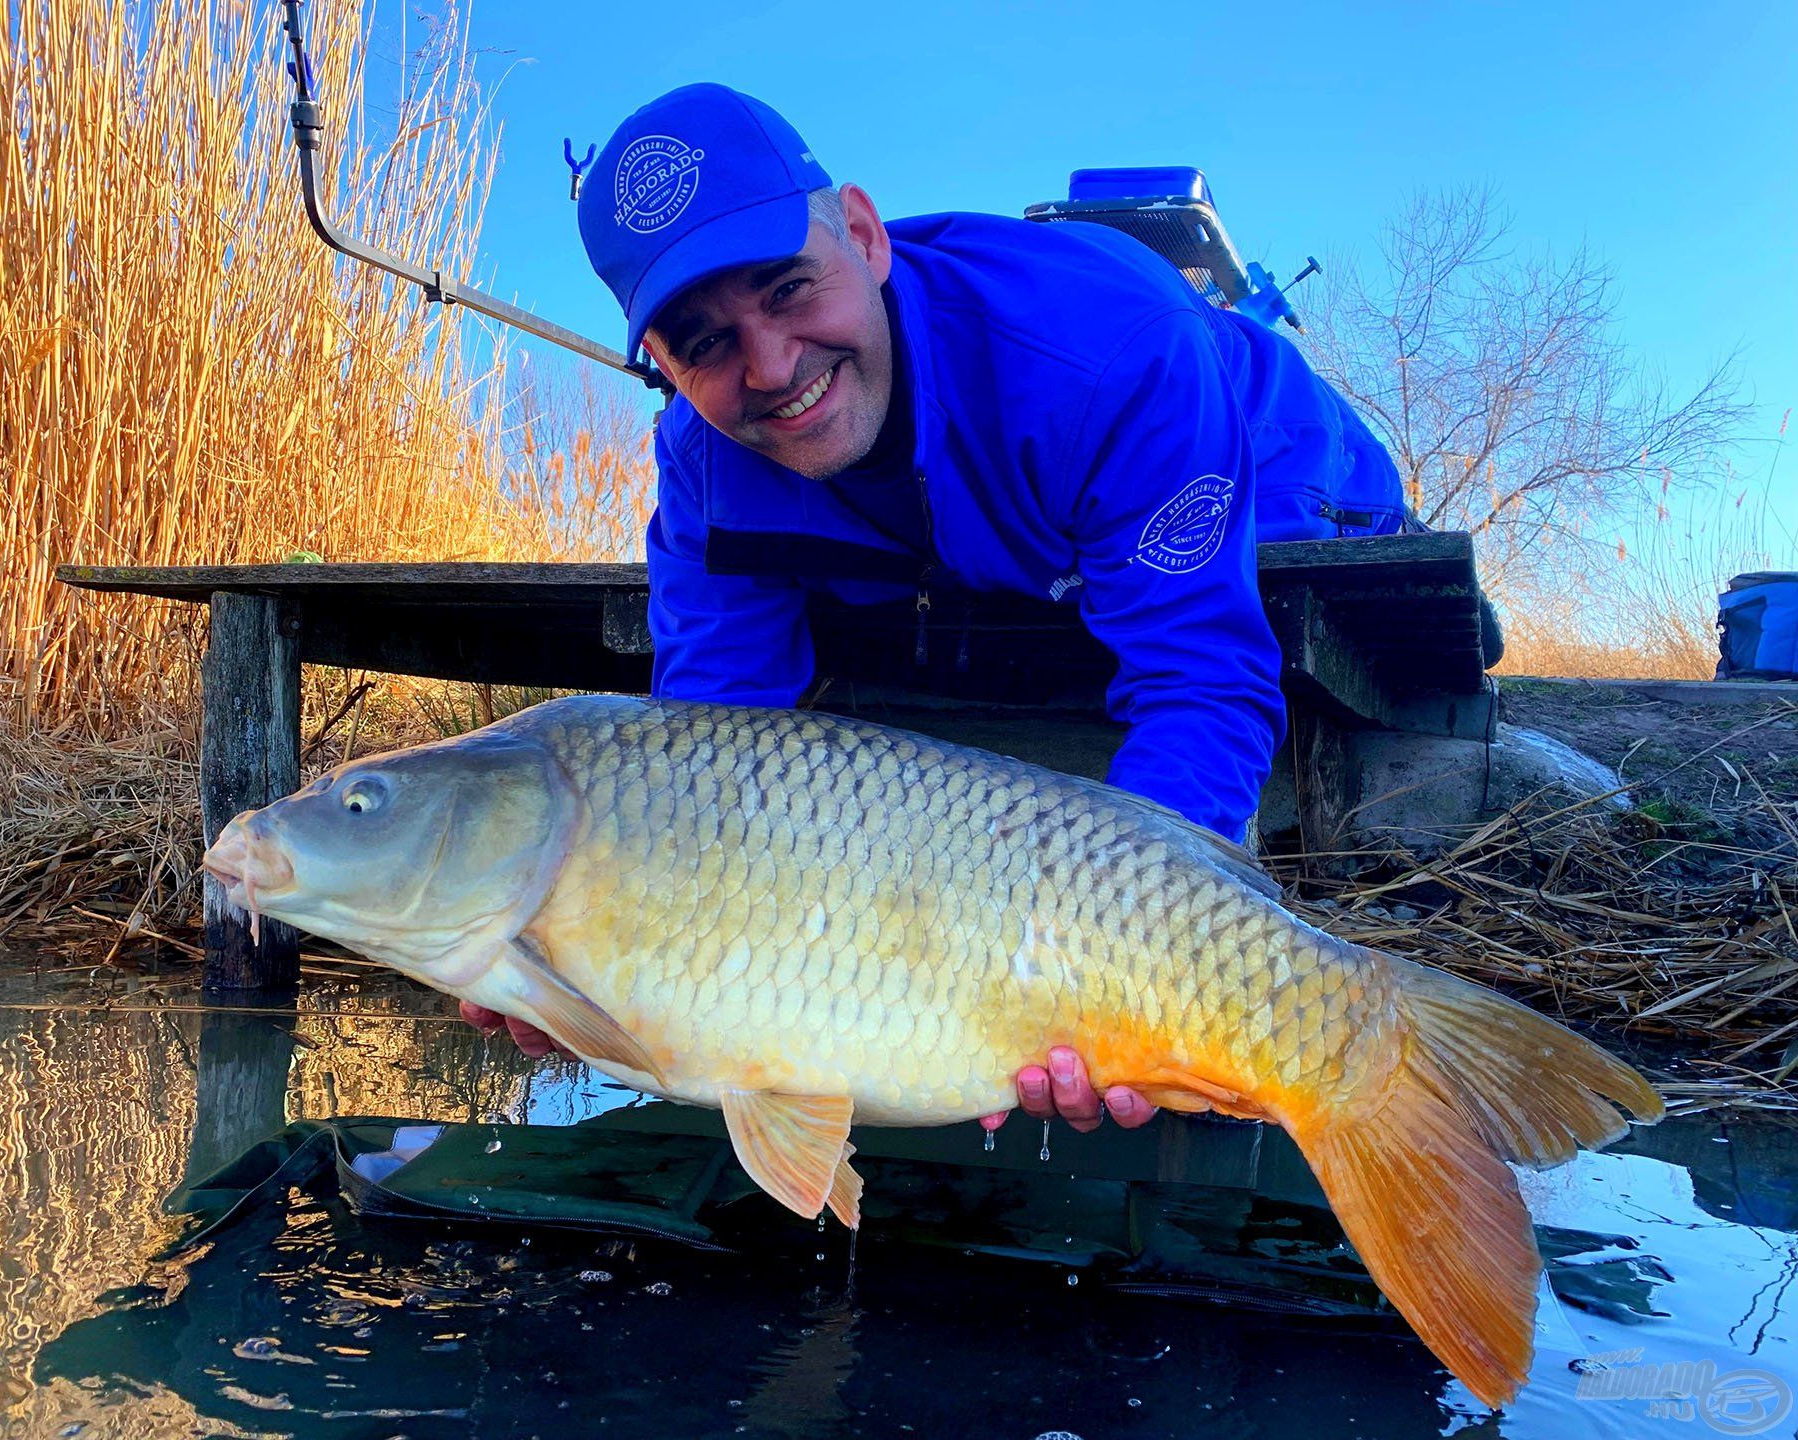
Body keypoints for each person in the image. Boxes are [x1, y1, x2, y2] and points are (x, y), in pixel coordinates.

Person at [466, 84, 1407, 1138]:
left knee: (1237, 632)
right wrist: (599, 970)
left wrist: (1141, 967)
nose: (771, 368)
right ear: (669, 368)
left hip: (1284, 472)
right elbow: (716, 762)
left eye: (786, 288)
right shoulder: (704, 460)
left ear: (863, 237)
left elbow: (1202, 683)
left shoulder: (1108, 350)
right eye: (704, 344)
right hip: (988, 530)